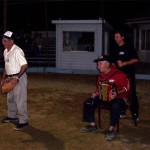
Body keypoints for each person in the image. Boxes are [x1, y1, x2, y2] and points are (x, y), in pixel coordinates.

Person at [80, 55, 129, 141]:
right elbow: (99, 89)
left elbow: (127, 88)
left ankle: (111, 129)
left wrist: (117, 93)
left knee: (115, 106)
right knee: (88, 102)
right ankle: (92, 125)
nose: (98, 66)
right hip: (104, 97)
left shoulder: (119, 74)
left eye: (100, 64)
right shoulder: (101, 76)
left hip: (118, 98)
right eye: (98, 64)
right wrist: (95, 93)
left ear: (107, 64)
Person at [0, 31, 29, 130]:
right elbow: (6, 65)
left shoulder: (17, 51)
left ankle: (23, 121)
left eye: (5, 41)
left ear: (11, 41)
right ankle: (12, 116)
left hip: (18, 78)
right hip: (9, 78)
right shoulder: (5, 51)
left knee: (20, 100)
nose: (3, 42)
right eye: (2, 40)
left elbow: (25, 66)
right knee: (10, 99)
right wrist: (3, 78)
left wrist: (17, 78)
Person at [111, 30, 139, 124]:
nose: (115, 39)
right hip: (118, 76)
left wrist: (125, 63)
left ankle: (135, 115)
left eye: (117, 37)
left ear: (122, 37)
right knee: (119, 93)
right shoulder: (114, 49)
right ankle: (122, 111)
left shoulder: (129, 47)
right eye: (115, 37)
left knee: (131, 94)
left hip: (129, 75)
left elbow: (136, 59)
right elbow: (113, 61)